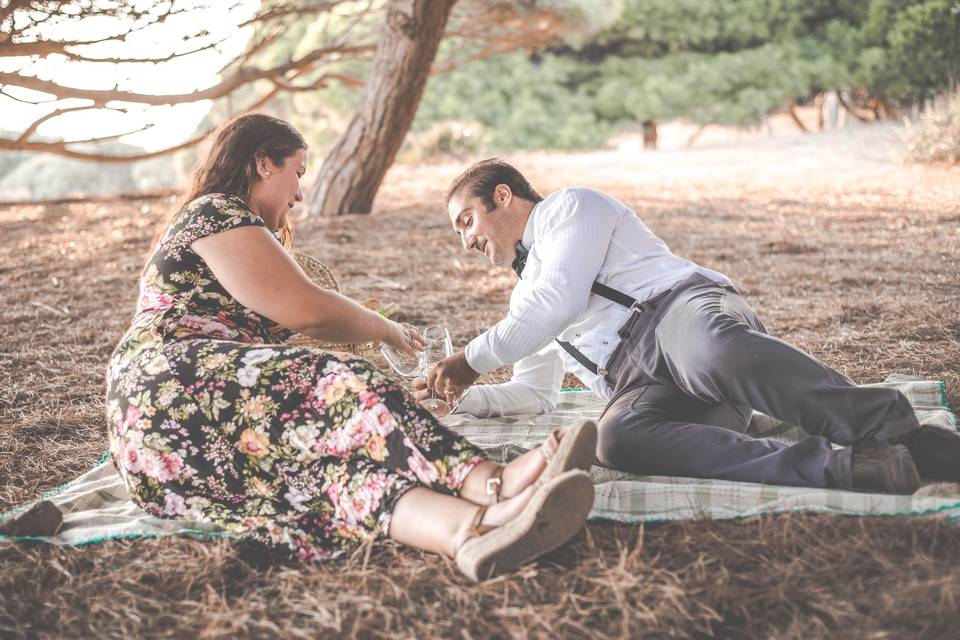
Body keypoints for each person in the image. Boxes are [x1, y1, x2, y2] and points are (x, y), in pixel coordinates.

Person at [105, 115, 598, 582]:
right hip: (167, 379)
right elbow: (305, 307)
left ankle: (469, 531)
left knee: (332, 472)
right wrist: (384, 329)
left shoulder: (230, 229)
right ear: (262, 163)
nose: (298, 193)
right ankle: (492, 482)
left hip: (167, 455)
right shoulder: (215, 210)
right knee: (335, 379)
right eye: (296, 172)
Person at [425, 158, 960, 495]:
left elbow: (559, 300)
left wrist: (468, 360)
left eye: (465, 221)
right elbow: (535, 394)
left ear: (501, 196)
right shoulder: (526, 299)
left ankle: (893, 428)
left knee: (709, 352)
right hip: (637, 387)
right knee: (616, 439)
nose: (465, 241)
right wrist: (460, 398)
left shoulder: (570, 208)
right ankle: (851, 468)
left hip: (675, 316)